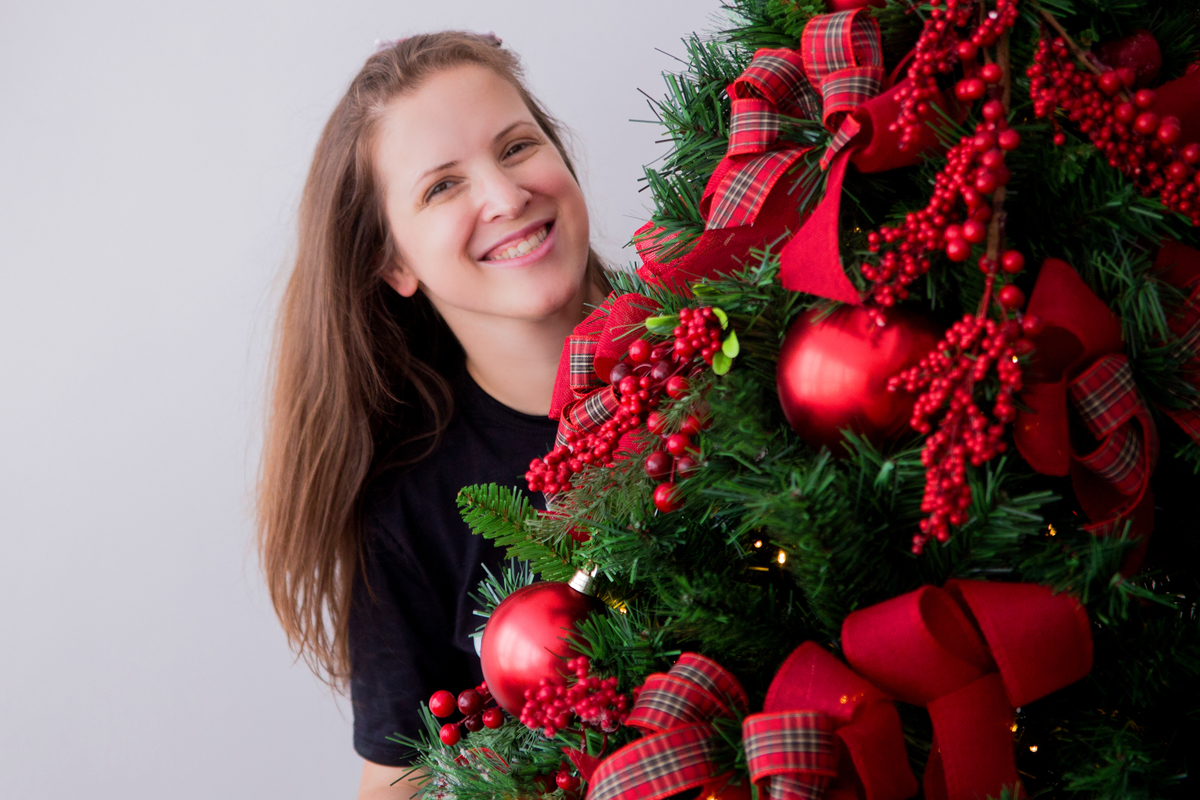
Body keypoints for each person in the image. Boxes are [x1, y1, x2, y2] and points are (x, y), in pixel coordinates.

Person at [256, 32, 611, 799]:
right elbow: (399, 781)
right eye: (442, 187)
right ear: (395, 263)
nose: (506, 195)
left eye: (517, 146)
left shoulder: (720, 336)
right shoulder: (407, 516)